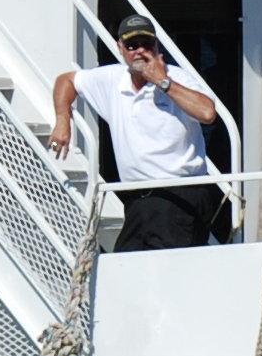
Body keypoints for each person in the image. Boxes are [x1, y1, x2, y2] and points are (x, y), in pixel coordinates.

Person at [48, 22, 232, 250]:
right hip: (138, 200)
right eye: (132, 45)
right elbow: (66, 80)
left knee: (166, 272)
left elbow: (207, 113)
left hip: (180, 195)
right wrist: (63, 119)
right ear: (120, 47)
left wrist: (163, 82)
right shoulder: (112, 79)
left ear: (156, 46)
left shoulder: (177, 78)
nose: (140, 51)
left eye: (146, 44)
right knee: (126, 265)